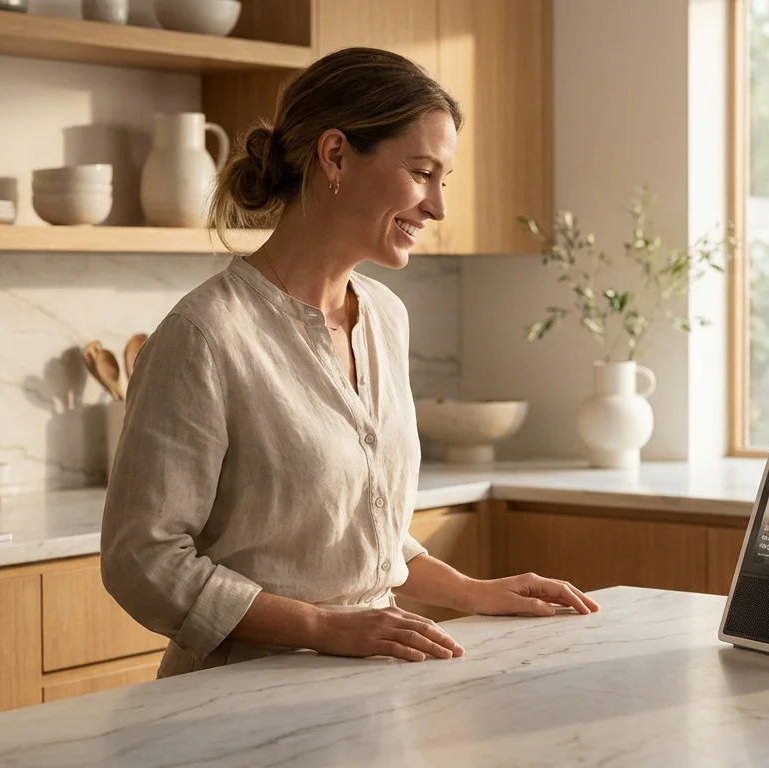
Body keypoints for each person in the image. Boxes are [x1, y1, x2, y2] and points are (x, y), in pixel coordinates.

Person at [100, 47, 599, 679]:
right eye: (421, 173)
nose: (438, 206)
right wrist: (319, 626)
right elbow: (141, 559)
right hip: (237, 695)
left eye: (444, 180)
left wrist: (477, 592)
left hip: (369, 681)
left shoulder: (386, 317)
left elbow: (358, 536)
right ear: (335, 155)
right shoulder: (205, 335)